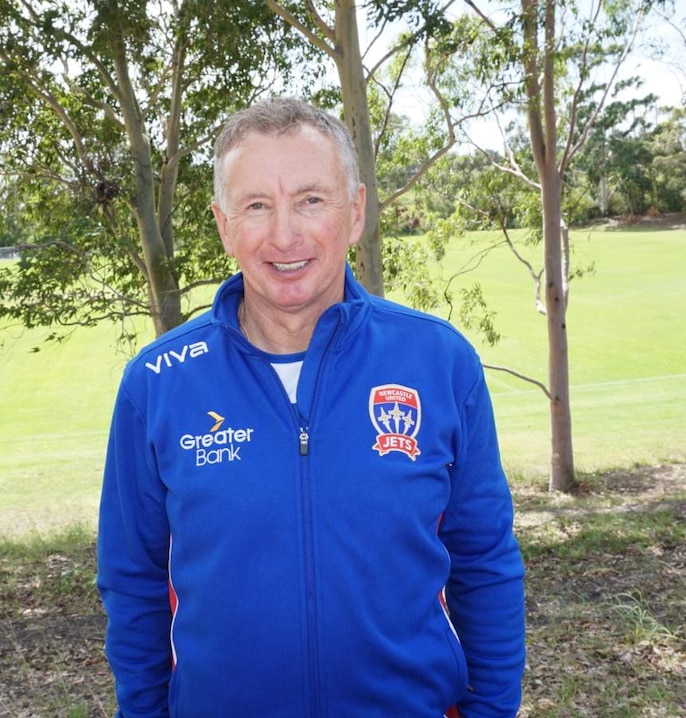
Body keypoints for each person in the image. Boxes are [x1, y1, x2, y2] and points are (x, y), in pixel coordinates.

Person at [96, 98, 525, 718]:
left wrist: (492, 711)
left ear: (354, 212)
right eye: (256, 206)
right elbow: (130, 579)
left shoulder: (438, 361)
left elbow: (484, 558)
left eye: (311, 200)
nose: (284, 234)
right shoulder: (157, 384)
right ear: (223, 225)